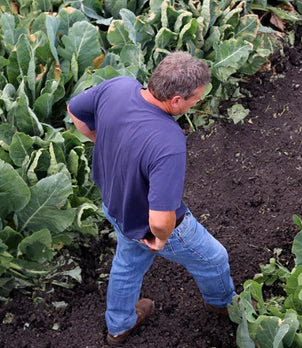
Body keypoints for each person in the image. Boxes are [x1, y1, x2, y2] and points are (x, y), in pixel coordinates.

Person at [67, 51, 235, 345]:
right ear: (175, 101)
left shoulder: (117, 86)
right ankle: (224, 304)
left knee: (128, 262)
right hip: (148, 223)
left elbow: (75, 111)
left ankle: (119, 326)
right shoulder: (167, 141)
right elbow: (160, 219)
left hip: (114, 203)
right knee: (214, 258)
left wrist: (102, 139)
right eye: (195, 98)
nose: (198, 103)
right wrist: (160, 238)